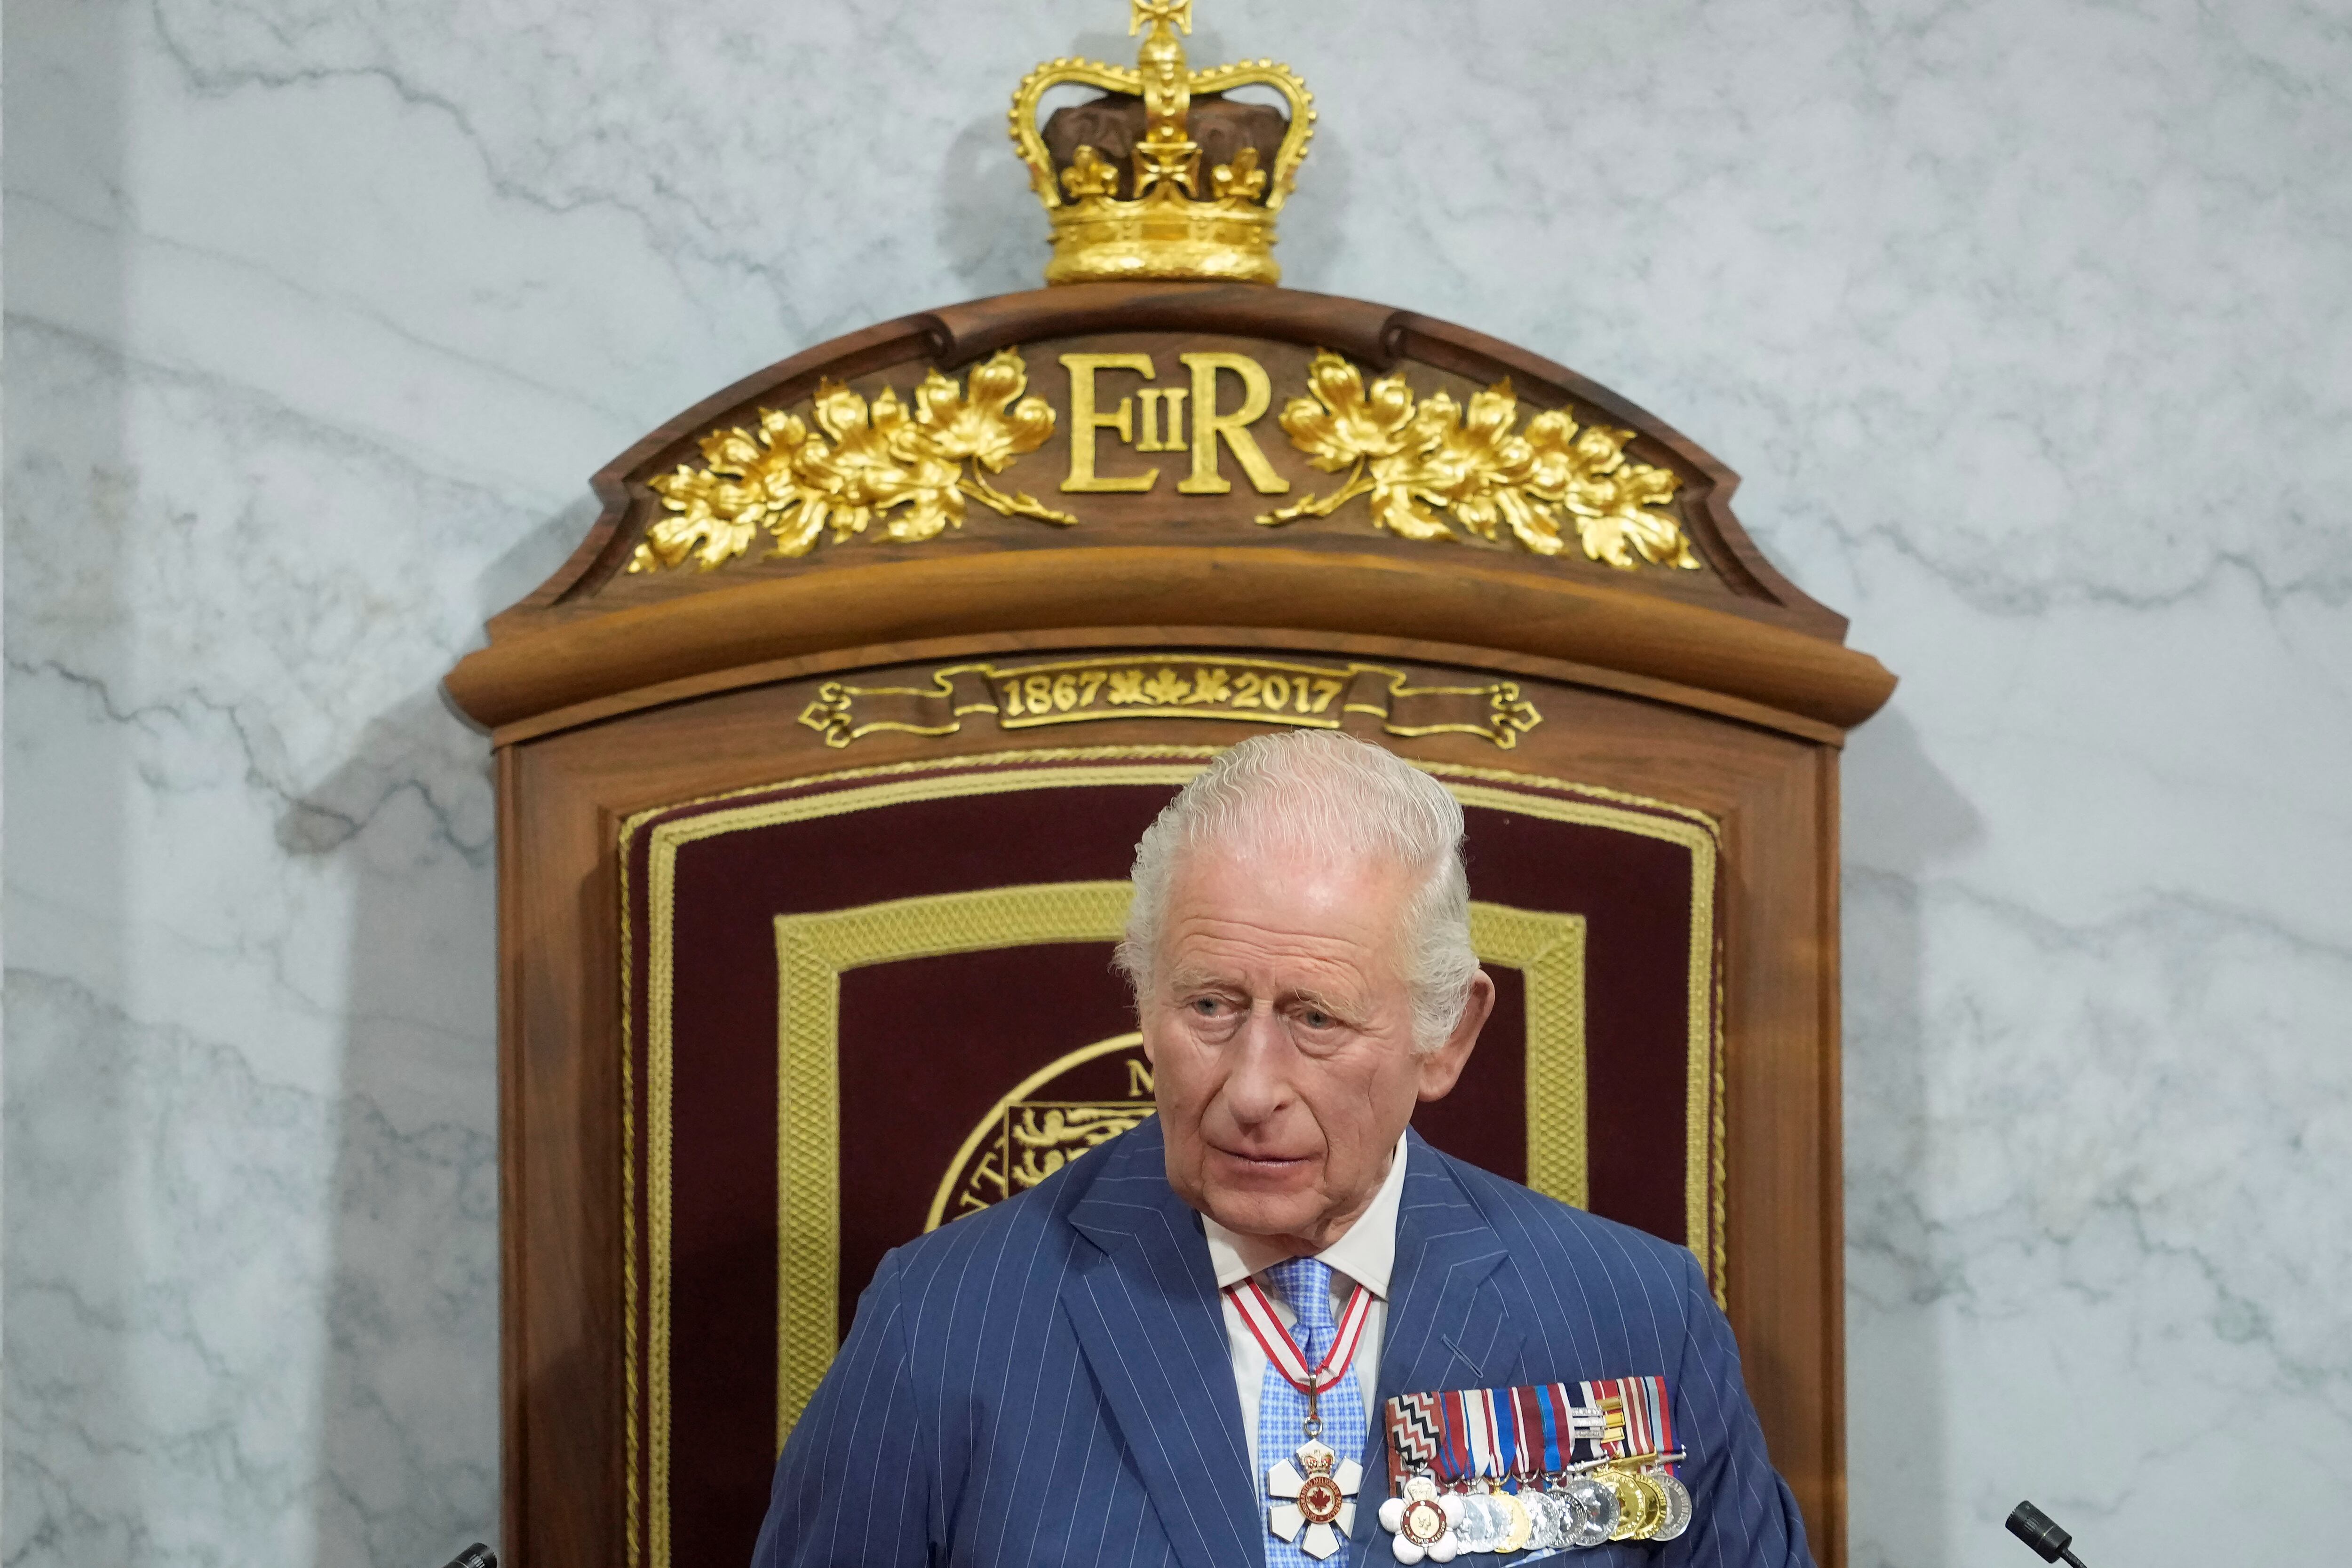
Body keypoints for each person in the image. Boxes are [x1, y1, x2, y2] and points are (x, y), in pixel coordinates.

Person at [752, 730, 1813, 1567]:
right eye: (1210, 1006)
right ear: (1144, 1001)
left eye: (1316, 1017)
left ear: (1448, 1033)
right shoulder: (944, 1321)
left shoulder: (1636, 1317)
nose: (1252, 1088)